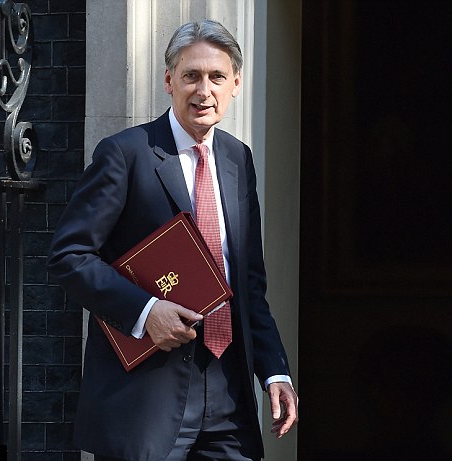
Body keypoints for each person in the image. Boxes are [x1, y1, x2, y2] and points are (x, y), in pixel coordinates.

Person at [47, 19, 298, 461]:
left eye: (217, 77)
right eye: (191, 76)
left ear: (236, 84)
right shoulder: (125, 154)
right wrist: (145, 312)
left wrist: (275, 370)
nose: (204, 90)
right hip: (146, 399)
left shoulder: (238, 159)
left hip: (229, 396)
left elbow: (248, 281)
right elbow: (69, 256)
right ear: (169, 81)